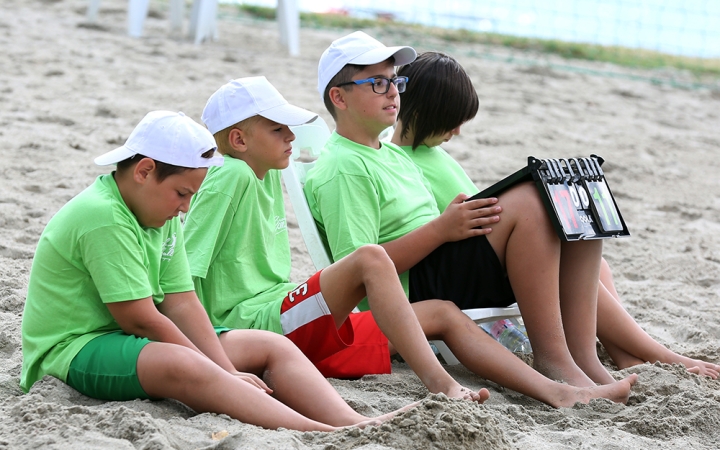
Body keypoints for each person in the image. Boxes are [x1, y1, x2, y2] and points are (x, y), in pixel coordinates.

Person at [19, 110, 418, 432]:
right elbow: (139, 318)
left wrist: (227, 369)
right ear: (143, 170)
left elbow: (181, 301)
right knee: (187, 365)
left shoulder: (161, 211)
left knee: (272, 344)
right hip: (74, 348)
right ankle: (319, 433)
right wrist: (221, 374)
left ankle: (354, 423)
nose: (186, 207)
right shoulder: (103, 215)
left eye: (192, 195)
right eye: (181, 194)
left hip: (128, 337)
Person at [303, 30, 638, 389]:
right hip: (412, 291)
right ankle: (555, 359)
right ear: (339, 97)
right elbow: (358, 271)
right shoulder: (345, 168)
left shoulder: (387, 153)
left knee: (567, 197)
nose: (393, 91)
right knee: (528, 201)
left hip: (438, 264)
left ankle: (584, 359)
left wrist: (452, 224)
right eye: (377, 83)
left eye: (395, 81)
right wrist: (442, 230)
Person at [390, 51, 719, 380]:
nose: (458, 131)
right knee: (537, 215)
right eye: (451, 121)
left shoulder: (433, 154)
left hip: (471, 259)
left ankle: (624, 355)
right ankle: (657, 355)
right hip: (449, 276)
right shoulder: (399, 162)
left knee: (594, 263)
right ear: (423, 112)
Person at [182, 76, 489, 404]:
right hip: (248, 325)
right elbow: (185, 270)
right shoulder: (231, 175)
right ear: (239, 140)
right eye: (277, 130)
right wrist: (210, 353)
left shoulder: (264, 171)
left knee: (442, 313)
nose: (291, 136)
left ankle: (550, 388)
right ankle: (440, 383)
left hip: (278, 309)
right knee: (370, 258)